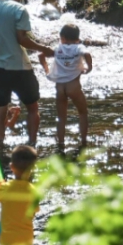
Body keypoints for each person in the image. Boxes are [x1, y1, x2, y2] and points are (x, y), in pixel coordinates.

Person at [0, 0, 54, 152]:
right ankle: (32, 144)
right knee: (32, 107)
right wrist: (44, 49)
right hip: (20, 67)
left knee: (1, 108)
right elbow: (21, 39)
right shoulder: (19, 9)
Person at [38, 23, 93, 153]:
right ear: (77, 38)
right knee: (83, 113)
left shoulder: (58, 48)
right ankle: (84, 141)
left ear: (61, 37)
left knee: (61, 117)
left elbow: (41, 55)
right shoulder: (79, 47)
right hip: (73, 86)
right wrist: (89, 68)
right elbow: (87, 54)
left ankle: (61, 144)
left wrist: (46, 68)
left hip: (60, 88)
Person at [0, 144, 39, 245]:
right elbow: (33, 212)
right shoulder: (34, 191)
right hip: (26, 238)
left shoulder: (4, 188)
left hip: (7, 238)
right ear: (32, 170)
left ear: (11, 166)